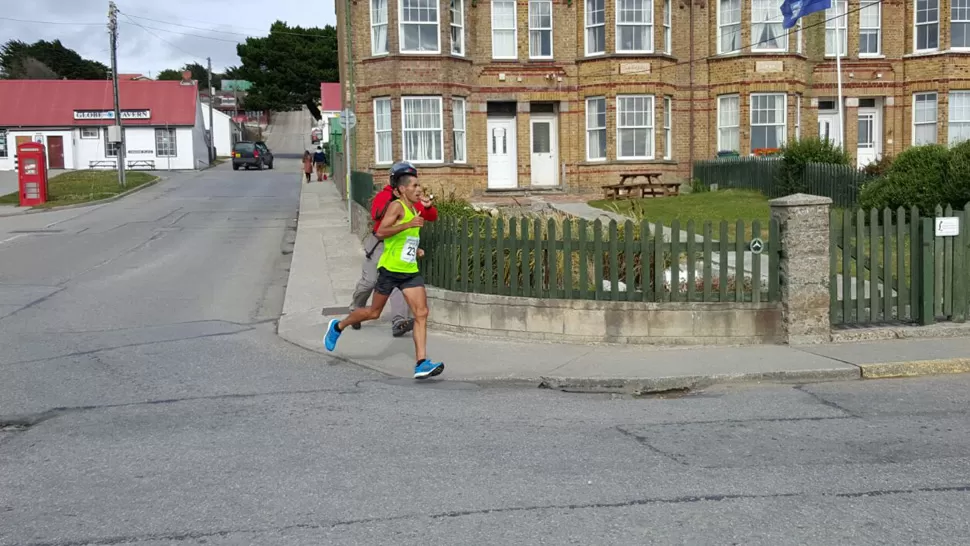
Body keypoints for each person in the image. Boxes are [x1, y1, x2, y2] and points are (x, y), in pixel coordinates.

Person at [324, 162, 444, 379]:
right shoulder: (396, 206)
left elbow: (419, 226)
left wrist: (415, 250)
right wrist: (408, 225)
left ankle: (421, 363)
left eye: (419, 185)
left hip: (409, 270)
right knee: (373, 312)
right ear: (401, 189)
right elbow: (381, 232)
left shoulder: (414, 208)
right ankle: (338, 325)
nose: (419, 189)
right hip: (389, 269)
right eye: (414, 186)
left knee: (421, 313)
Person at [349, 162, 438, 337]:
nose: (415, 187)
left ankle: (399, 321)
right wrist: (395, 202)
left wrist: (427, 207)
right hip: (380, 243)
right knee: (369, 282)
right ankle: (356, 309)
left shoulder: (413, 199)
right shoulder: (385, 197)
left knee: (398, 284)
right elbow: (376, 214)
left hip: (401, 246)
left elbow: (431, 216)